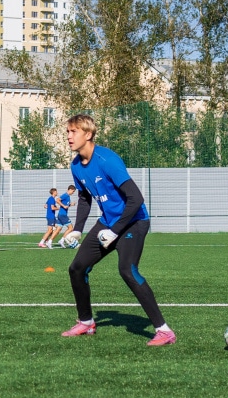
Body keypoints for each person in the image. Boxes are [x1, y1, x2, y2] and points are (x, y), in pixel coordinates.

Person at [60, 114, 176, 346]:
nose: (69, 136)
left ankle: (164, 331)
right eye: (68, 132)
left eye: (74, 131)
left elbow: (136, 198)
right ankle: (86, 322)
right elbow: (84, 199)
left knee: (127, 270)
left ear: (88, 134)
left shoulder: (107, 160)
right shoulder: (76, 166)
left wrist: (115, 231)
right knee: (77, 268)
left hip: (134, 221)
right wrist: (77, 230)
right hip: (108, 222)